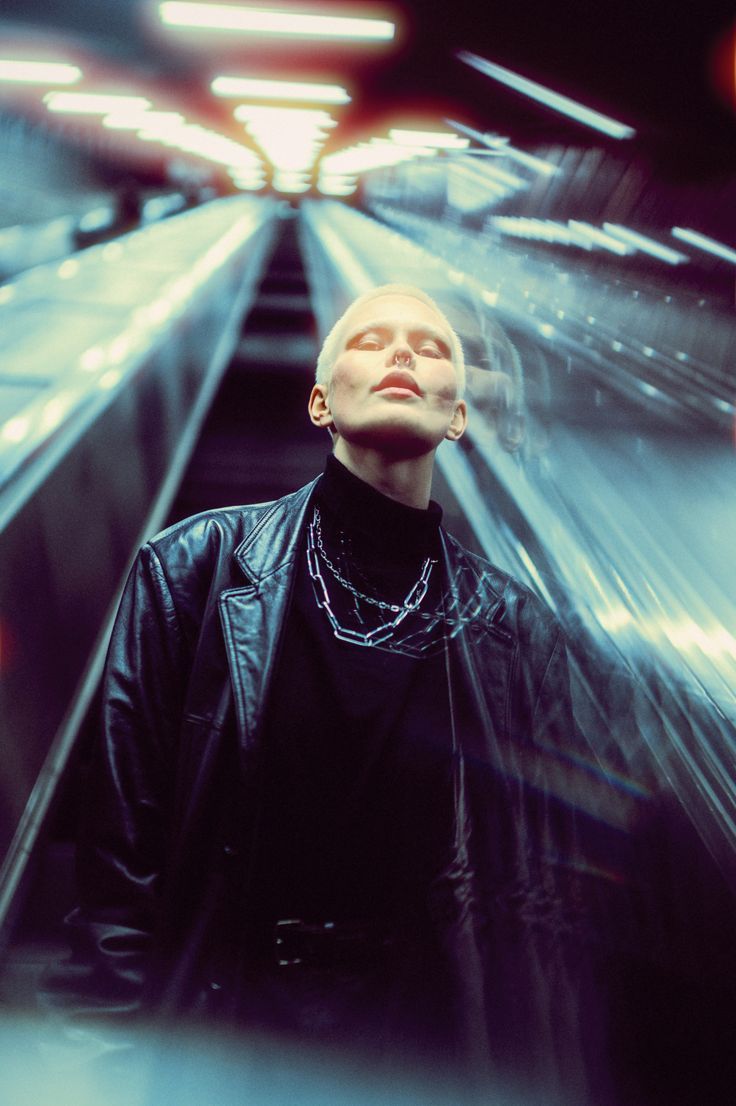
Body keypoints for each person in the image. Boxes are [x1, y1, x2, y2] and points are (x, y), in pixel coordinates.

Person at [48, 284, 677, 1104]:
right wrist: (111, 1073)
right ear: (320, 401)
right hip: (226, 1037)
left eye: (433, 347)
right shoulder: (191, 571)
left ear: (457, 417)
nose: (404, 353)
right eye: (371, 339)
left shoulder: (513, 630)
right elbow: (121, 867)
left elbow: (550, 902)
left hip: (424, 1049)